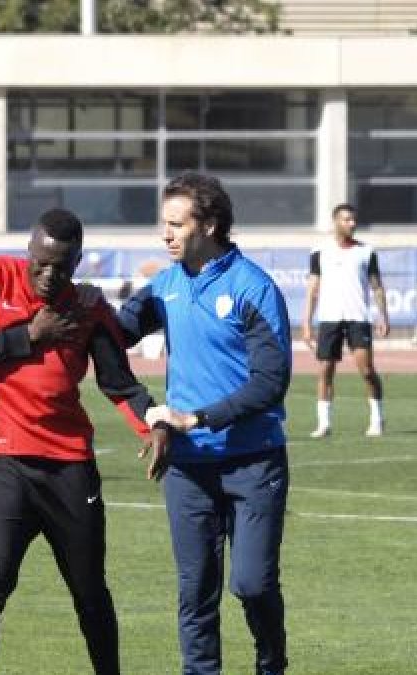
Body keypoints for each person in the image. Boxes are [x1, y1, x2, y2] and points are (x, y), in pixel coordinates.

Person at [0, 208, 166, 675]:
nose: (48, 275)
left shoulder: (88, 308)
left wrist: (153, 425)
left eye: (61, 267)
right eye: (40, 263)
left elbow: (119, 383)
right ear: (28, 251)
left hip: (69, 470)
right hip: (6, 466)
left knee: (89, 592)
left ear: (78, 261)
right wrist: (29, 334)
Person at [123, 173, 292, 675]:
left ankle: (271, 663)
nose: (166, 234)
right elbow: (112, 335)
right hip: (187, 468)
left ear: (210, 225)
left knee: (253, 585)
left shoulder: (253, 287)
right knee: (195, 590)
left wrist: (196, 417)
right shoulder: (163, 286)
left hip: (254, 462)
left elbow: (270, 383)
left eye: (177, 224)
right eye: (164, 224)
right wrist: (146, 410)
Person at [301, 203, 389, 438]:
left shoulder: (366, 252)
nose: (352, 224)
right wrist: (307, 324)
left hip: (358, 317)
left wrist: (383, 316)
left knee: (367, 371)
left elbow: (377, 286)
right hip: (329, 318)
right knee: (325, 370)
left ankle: (377, 418)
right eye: (347, 220)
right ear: (336, 222)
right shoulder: (319, 251)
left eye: (353, 220)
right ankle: (324, 423)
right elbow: (312, 289)